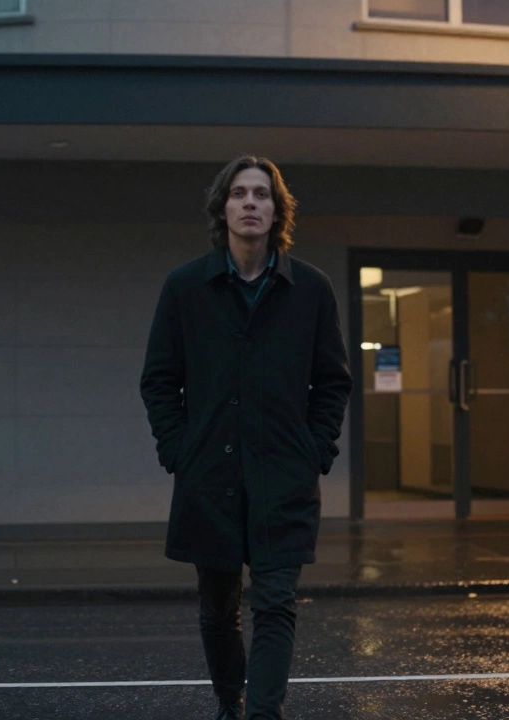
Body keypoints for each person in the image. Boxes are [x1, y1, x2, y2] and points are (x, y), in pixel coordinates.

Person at [140, 156, 352, 720]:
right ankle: (230, 700)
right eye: (239, 193)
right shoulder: (186, 287)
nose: (251, 203)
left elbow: (333, 381)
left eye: (262, 194)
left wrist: (316, 449)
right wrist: (178, 450)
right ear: (223, 209)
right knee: (217, 607)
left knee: (277, 603)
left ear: (277, 210)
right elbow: (160, 380)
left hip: (284, 474)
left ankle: (262, 712)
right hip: (209, 475)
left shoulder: (310, 289)